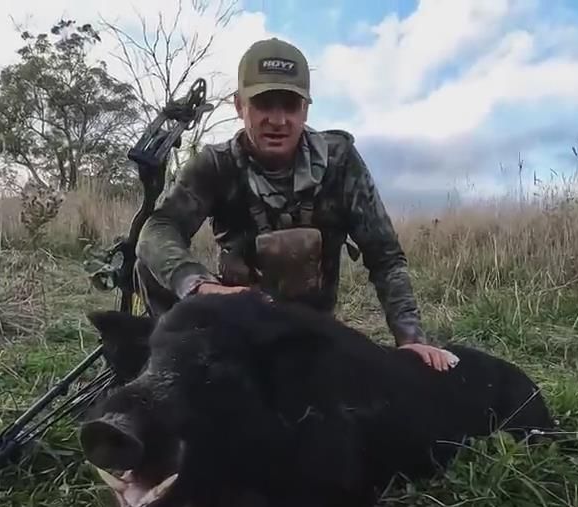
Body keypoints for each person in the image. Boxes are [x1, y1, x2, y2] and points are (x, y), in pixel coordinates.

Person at [133, 37, 458, 372]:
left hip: (312, 331)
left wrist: (410, 339)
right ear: (239, 105)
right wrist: (202, 287)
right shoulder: (216, 165)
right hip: (236, 325)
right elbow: (159, 229)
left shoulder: (340, 161)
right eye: (263, 104)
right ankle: (171, 364)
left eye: (290, 105)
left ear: (305, 109)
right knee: (148, 264)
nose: (278, 120)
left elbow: (385, 256)